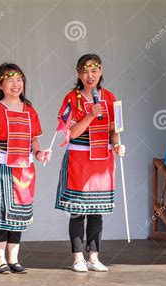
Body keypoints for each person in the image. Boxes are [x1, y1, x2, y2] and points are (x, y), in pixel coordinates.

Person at [54, 54, 126, 272]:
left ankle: (93, 257)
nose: (89, 75)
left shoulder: (111, 97)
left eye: (94, 70)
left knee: (96, 211)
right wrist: (90, 115)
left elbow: (115, 131)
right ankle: (78, 257)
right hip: (79, 159)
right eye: (85, 71)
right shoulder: (71, 98)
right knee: (78, 211)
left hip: (102, 162)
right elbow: (72, 132)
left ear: (101, 71)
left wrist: (117, 145)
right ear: (79, 74)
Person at [0, 63, 51, 274]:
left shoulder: (29, 110)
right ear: (0, 84)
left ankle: (14, 258)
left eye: (19, 79)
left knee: (18, 214)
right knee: (0, 213)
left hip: (23, 170)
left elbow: (34, 140)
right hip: (0, 169)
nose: (15, 84)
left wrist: (39, 154)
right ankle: (1, 259)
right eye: (10, 79)